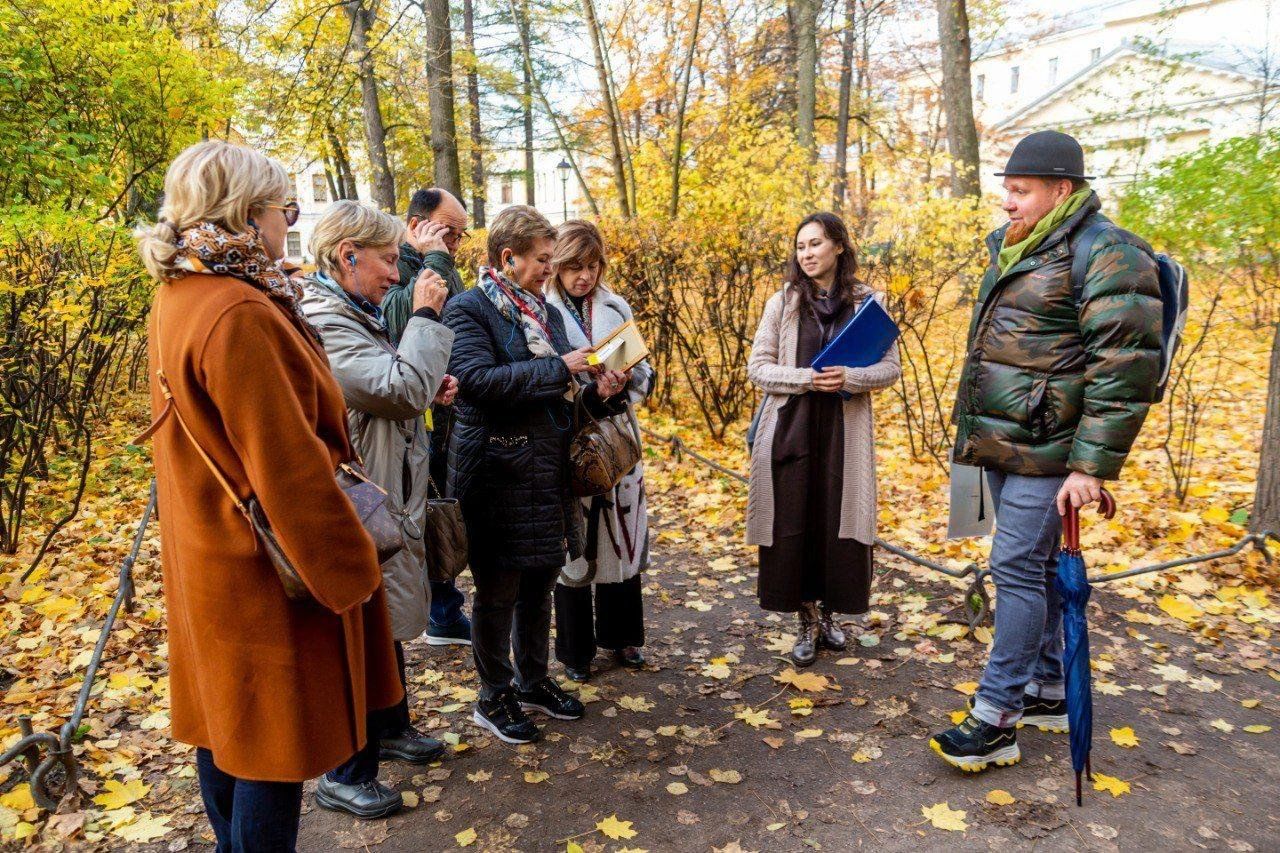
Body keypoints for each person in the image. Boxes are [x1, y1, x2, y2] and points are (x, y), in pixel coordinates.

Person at [134, 140, 401, 851]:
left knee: (228, 728)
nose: (291, 221)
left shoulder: (179, 292)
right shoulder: (238, 310)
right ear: (248, 214)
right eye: (285, 208)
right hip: (260, 568)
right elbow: (286, 466)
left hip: (209, 552)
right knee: (268, 750)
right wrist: (350, 570)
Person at [931, 130, 1162, 772]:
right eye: (1006, 190)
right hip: (1005, 438)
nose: (1007, 202)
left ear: (1062, 189)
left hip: (1050, 448)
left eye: (1020, 190)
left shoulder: (1108, 251)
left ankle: (996, 716)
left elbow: (1125, 369)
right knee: (1028, 570)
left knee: (1013, 570)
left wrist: (1090, 466)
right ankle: (1051, 690)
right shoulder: (1023, 243)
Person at [443, 205, 630, 744]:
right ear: (508, 257)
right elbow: (476, 382)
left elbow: (560, 394)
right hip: (496, 471)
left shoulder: (538, 312)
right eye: (543, 261)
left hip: (546, 470)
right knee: (499, 589)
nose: (550, 270)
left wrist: (598, 390)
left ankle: (532, 680)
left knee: (541, 581)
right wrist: (562, 366)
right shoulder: (468, 310)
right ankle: (492, 695)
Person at [299, 200, 459, 818]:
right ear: (348, 256)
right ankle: (345, 771)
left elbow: (396, 384)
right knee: (360, 629)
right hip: (359, 497)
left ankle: (390, 726)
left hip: (382, 489)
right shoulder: (324, 319)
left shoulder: (352, 310)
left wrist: (427, 379)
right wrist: (422, 320)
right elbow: (396, 389)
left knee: (384, 612)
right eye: (389, 260)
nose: (396, 274)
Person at [746, 212, 902, 667]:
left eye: (815, 244)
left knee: (838, 524)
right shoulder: (783, 303)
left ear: (838, 246)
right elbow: (758, 368)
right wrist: (807, 379)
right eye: (800, 247)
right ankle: (806, 619)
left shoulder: (869, 301)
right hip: (790, 430)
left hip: (843, 433)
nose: (807, 254)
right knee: (795, 523)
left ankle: (831, 615)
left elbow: (891, 368)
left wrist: (850, 375)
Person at [545, 220, 654, 682]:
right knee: (574, 543)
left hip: (617, 438)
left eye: (591, 266)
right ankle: (574, 650)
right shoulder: (541, 309)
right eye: (573, 266)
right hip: (569, 440)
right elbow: (539, 374)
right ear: (556, 265)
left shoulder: (615, 304)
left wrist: (628, 380)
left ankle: (622, 636)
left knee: (621, 537)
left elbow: (645, 369)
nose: (584, 276)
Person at [383, 187, 473, 648]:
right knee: (416, 508)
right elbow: (400, 323)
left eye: (460, 235)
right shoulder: (391, 261)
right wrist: (435, 259)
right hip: (402, 411)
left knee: (442, 503)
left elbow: (452, 327)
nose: (455, 243)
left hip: (442, 405)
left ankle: (444, 609)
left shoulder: (443, 264)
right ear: (416, 224)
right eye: (448, 231)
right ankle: (427, 614)